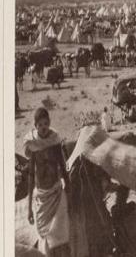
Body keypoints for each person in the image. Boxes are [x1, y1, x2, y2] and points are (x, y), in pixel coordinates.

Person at [24, 107, 70, 256]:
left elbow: (62, 166)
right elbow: (31, 175)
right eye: (40, 125)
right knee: (44, 239)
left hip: (56, 193)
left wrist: (68, 188)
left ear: (49, 123)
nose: (43, 128)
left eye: (45, 124)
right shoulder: (33, 144)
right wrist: (29, 207)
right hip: (42, 198)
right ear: (35, 126)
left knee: (62, 238)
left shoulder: (54, 140)